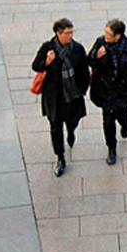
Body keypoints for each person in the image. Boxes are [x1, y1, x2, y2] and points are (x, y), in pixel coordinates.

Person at [31, 19, 90, 178]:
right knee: (56, 128)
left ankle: (71, 131)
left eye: (72, 32)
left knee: (73, 121)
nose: (70, 36)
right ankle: (60, 158)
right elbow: (36, 65)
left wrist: (81, 91)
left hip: (72, 96)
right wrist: (47, 62)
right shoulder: (48, 48)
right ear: (58, 33)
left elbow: (84, 72)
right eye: (67, 33)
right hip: (54, 97)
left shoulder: (77, 49)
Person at [88, 19, 127, 165]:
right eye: (105, 31)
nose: (105, 35)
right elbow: (89, 60)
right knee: (107, 122)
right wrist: (97, 56)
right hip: (105, 91)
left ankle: (125, 125)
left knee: (123, 115)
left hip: (124, 91)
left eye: (109, 33)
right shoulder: (100, 43)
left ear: (118, 36)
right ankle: (111, 149)